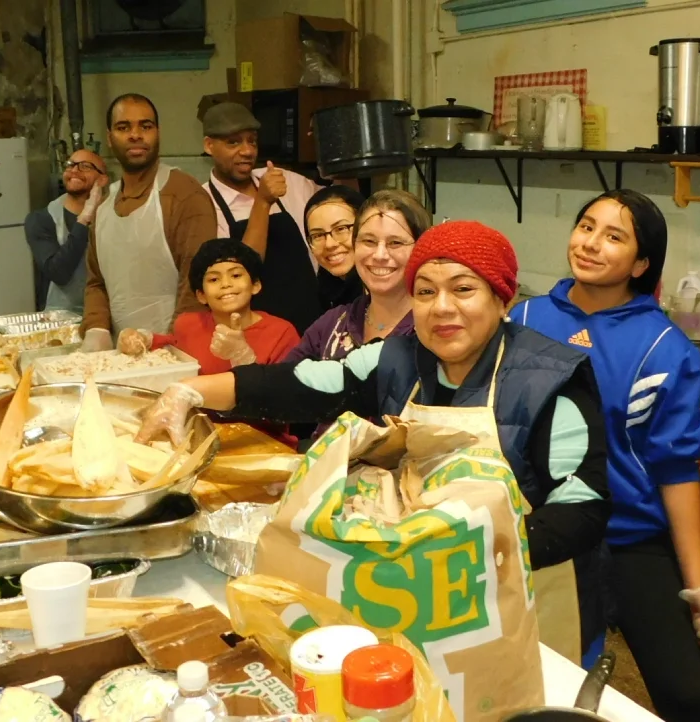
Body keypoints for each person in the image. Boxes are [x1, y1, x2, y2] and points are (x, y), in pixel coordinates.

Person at [136, 221, 611, 660]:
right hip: (420, 585)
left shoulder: (551, 379)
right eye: (425, 292)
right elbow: (301, 386)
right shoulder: (398, 356)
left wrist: (460, 550)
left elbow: (581, 508)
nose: (442, 307)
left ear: (501, 299)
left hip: (524, 593)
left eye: (463, 289)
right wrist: (189, 391)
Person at [509, 190, 700, 722]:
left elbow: (677, 470)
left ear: (640, 264)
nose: (590, 243)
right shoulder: (523, 316)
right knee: (537, 681)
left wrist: (699, 583)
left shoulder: (665, 348)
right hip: (543, 531)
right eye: (586, 226)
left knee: (682, 697)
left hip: (629, 540)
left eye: (614, 236)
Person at [79, 93, 217, 352]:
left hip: (175, 354)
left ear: (158, 133)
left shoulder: (183, 195)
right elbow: (96, 282)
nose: (135, 135)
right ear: (109, 138)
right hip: (120, 358)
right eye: (123, 127)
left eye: (146, 126)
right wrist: (96, 329)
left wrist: (172, 348)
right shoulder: (105, 207)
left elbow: (198, 285)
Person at [201, 102, 326, 335]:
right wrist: (263, 202)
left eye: (252, 140)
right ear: (209, 146)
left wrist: (337, 159)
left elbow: (340, 207)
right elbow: (242, 271)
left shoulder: (287, 181)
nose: (247, 151)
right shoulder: (203, 203)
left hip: (311, 327)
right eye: (233, 142)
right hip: (254, 339)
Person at [285, 190, 429, 365]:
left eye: (395, 242)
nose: (380, 255)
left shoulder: (434, 324)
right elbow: (283, 381)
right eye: (369, 241)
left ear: (421, 247)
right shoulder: (332, 323)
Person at [116, 238, 300, 375]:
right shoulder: (188, 324)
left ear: (255, 285)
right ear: (201, 295)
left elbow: (289, 398)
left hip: (258, 426)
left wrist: (244, 358)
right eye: (213, 279)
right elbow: (171, 346)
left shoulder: (281, 333)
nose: (225, 284)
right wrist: (141, 338)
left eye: (236, 275)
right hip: (199, 421)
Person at [24, 150, 108, 313]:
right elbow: (58, 272)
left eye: (85, 166)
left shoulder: (114, 216)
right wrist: (84, 219)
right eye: (70, 165)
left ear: (102, 179)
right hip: (61, 320)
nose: (74, 171)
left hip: (106, 314)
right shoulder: (41, 219)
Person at [304, 185, 366, 311]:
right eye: (318, 235)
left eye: (341, 229)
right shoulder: (323, 294)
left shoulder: (386, 294)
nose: (329, 244)